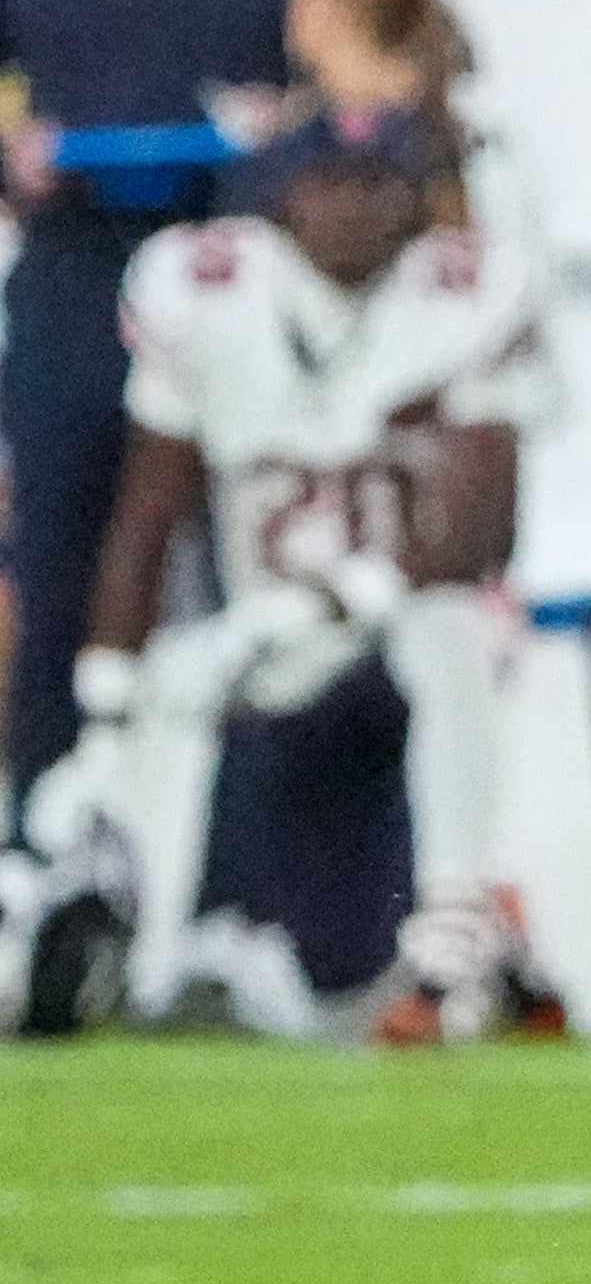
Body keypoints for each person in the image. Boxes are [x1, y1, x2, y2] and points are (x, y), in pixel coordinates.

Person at [41, 99, 551, 1040]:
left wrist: (353, 593)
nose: (359, 208)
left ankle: (454, 947)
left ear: (414, 199)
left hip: (405, 607)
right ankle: (154, 965)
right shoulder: (201, 284)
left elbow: (485, 520)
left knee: (453, 637)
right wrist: (105, 704)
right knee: (174, 687)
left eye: (381, 185)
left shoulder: (465, 289)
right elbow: (149, 508)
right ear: (287, 194)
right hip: (268, 630)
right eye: (335, 184)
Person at [0, 0, 330, 800]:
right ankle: (48, 841)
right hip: (80, 267)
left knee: (267, 574)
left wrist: (284, 129)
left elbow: (357, 92)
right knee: (60, 559)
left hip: (239, 269)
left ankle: (270, 881)